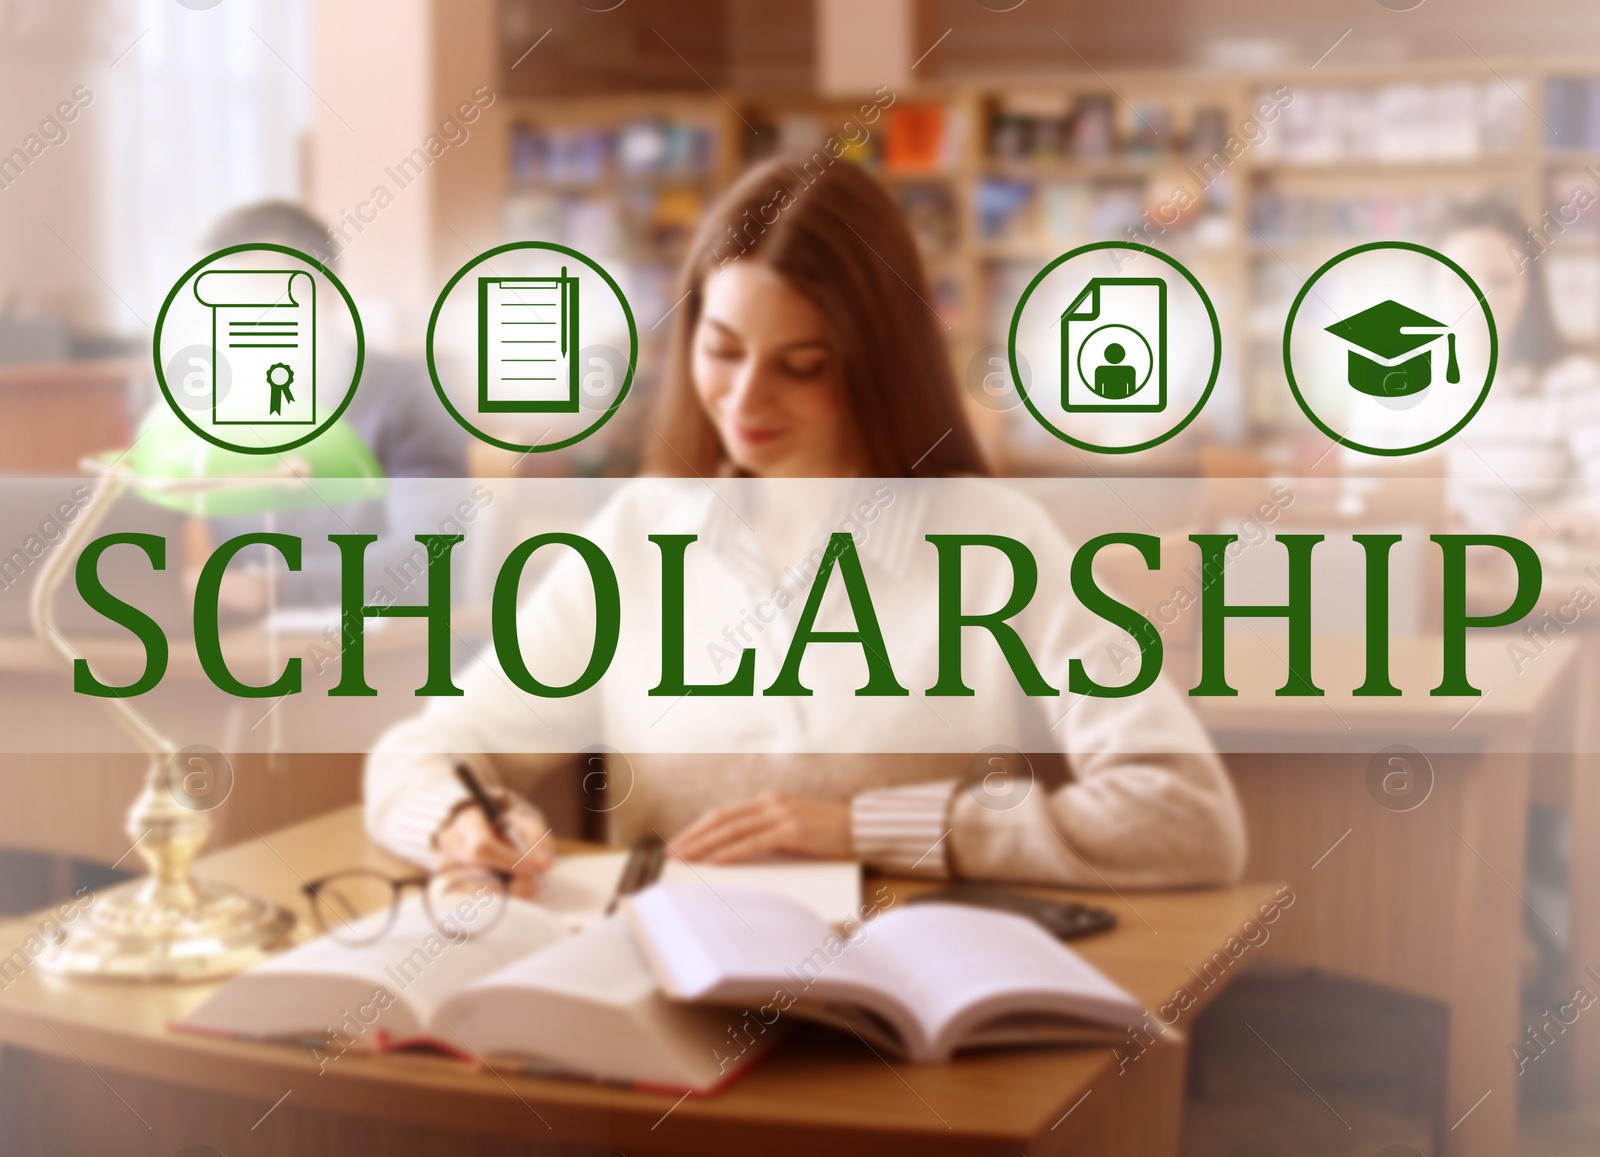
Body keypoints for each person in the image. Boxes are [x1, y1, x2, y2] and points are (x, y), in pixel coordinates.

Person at [363, 157, 1246, 894]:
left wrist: (864, 830)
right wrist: (455, 820)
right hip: (670, 1011)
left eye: (802, 365)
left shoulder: (994, 541)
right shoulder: (639, 532)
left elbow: (1185, 816)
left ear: (873, 363)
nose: (745, 401)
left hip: (915, 1013)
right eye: (722, 350)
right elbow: (425, 747)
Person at [185, 201, 470, 611]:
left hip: (378, 648)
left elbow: (427, 559)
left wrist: (274, 589)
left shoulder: (411, 393)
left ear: (326, 294)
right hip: (251, 647)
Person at [1441, 202, 1600, 540]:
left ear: (1531, 291)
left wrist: (1578, 518)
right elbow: (1362, 502)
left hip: (1531, 581)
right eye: (1458, 281)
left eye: (1500, 280)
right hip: (1415, 580)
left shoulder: (1574, 382)